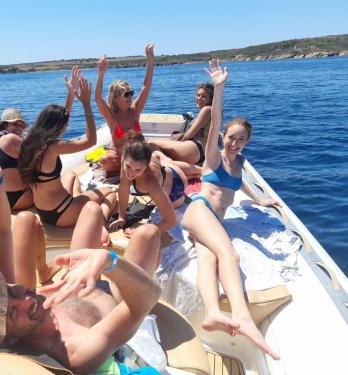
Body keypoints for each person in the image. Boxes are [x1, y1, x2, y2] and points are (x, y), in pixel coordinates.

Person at [0, 155, 163, 373]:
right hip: (119, 297)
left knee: (91, 209)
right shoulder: (76, 350)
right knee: (148, 233)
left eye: (9, 291)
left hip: (72, 281)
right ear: (6, 339)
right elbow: (147, 299)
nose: (25, 298)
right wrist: (110, 261)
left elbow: (0, 233)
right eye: (11, 313)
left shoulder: (11, 308)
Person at [182, 59, 280, 360]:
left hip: (212, 223)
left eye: (241, 139)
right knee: (230, 255)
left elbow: (240, 186)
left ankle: (212, 312)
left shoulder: (240, 164)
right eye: (231, 136)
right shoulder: (213, 155)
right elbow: (214, 120)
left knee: (208, 259)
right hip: (199, 210)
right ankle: (242, 315)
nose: (235, 142)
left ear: (246, 142)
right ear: (223, 135)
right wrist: (220, 87)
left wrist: (259, 200)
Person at [18, 74, 116, 235]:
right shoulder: (54, 147)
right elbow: (91, 141)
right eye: (65, 123)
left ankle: (80, 200)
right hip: (62, 213)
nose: (67, 125)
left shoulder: (28, 141)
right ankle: (102, 223)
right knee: (110, 194)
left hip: (43, 210)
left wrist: (70, 95)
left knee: (70, 175)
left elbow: (61, 119)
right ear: (58, 126)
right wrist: (85, 103)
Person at [95, 44, 155, 176]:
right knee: (104, 160)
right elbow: (98, 98)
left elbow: (146, 86)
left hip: (137, 155)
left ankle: (131, 170)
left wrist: (150, 61)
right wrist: (101, 74)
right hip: (120, 156)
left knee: (155, 150)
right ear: (116, 98)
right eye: (126, 94)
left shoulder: (135, 110)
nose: (130, 97)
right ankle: (130, 170)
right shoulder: (112, 116)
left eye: (131, 93)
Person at [109, 132, 179, 237]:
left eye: (138, 170)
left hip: (174, 181)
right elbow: (124, 187)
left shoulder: (150, 182)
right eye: (128, 166)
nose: (131, 173)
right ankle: (162, 159)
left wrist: (142, 235)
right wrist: (122, 217)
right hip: (161, 169)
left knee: (185, 169)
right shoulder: (127, 158)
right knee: (166, 162)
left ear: (146, 166)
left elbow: (171, 220)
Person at [150, 83, 214, 165]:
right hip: (201, 152)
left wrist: (178, 142)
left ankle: (167, 161)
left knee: (151, 143)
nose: (199, 98)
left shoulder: (206, 110)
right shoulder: (211, 112)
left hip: (195, 149)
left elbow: (189, 135)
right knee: (158, 150)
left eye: (204, 96)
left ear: (211, 99)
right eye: (198, 95)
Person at [0, 107, 33, 210]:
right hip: (18, 197)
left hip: (3, 198)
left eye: (21, 125)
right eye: (15, 124)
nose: (19, 128)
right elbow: (36, 160)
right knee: (68, 178)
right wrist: (29, 141)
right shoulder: (11, 139)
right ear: (5, 125)